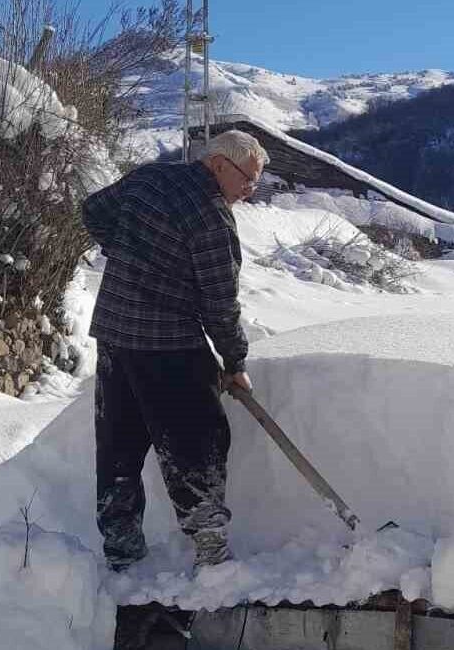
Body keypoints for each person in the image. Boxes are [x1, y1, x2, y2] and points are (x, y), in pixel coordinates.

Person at [81, 130, 268, 572]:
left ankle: (121, 552)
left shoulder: (148, 178)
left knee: (118, 447)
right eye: (247, 179)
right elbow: (220, 303)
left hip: (115, 336)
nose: (250, 190)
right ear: (219, 164)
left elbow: (93, 211)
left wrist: (127, 250)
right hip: (169, 346)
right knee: (196, 442)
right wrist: (235, 361)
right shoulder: (211, 219)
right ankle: (210, 550)